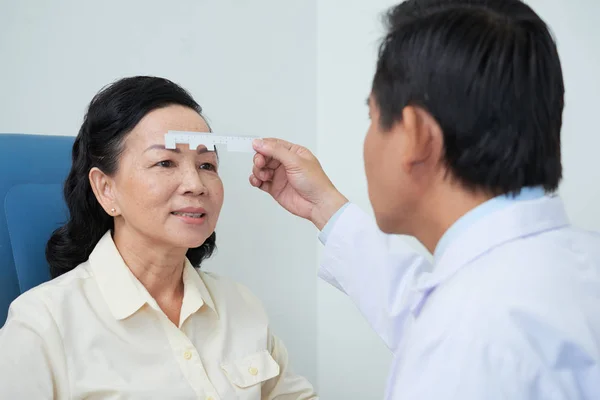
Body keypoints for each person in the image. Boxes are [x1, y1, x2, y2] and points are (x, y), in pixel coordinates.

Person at [249, 0, 600, 399]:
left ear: (417, 135)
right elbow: (424, 305)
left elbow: (455, 326)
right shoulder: (570, 269)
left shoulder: (465, 340)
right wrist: (323, 208)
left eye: (372, 117)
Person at [0, 76, 317, 400]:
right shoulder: (43, 326)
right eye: (165, 162)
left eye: (207, 164)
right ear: (106, 189)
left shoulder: (240, 305)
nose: (195, 183)